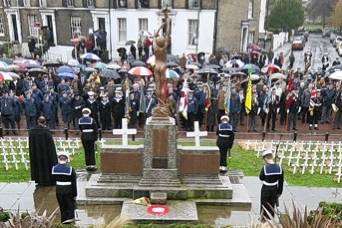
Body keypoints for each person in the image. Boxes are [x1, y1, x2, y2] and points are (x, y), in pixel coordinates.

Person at [28, 116, 57, 186]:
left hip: (36, 153)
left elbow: (31, 143)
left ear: (38, 121)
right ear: (45, 122)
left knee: (38, 166)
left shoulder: (32, 131)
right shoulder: (47, 131)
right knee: (47, 166)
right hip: (46, 154)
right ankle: (48, 180)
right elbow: (51, 145)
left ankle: (39, 180)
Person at [52, 152, 77, 224]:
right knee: (70, 205)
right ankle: (70, 220)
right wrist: (75, 194)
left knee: (62, 205)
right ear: (66, 159)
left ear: (59, 159)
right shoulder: (71, 169)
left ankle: (63, 220)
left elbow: (54, 180)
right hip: (68, 190)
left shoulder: (54, 169)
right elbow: (74, 183)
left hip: (59, 190)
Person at [259, 149, 284, 221]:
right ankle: (270, 218)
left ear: (266, 158)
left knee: (264, 203)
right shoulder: (279, 168)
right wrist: (279, 192)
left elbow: (261, 178)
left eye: (264, 159)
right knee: (272, 204)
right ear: (272, 157)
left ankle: (263, 218)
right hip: (275, 189)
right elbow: (281, 181)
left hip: (266, 189)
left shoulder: (265, 168)